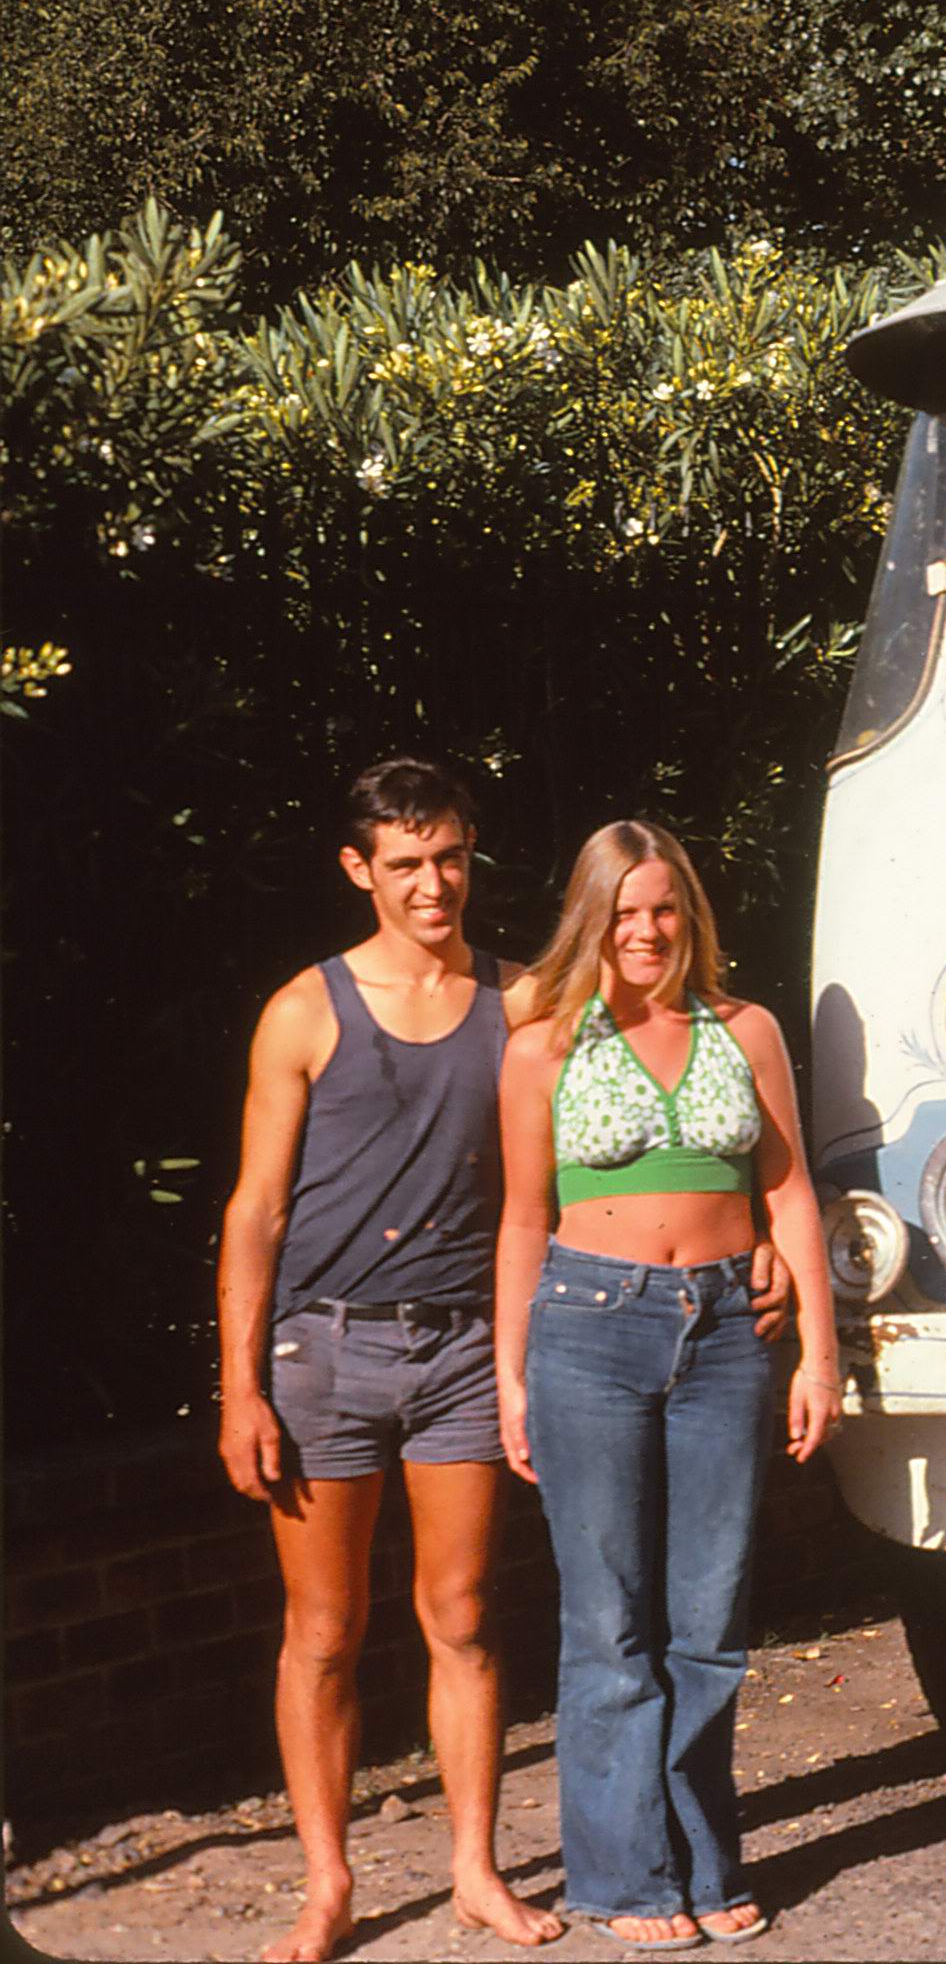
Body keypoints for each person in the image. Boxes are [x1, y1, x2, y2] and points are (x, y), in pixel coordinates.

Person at [214, 758, 566, 1961]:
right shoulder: (304, 1011)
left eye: (452, 856)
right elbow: (254, 1211)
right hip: (324, 1351)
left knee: (463, 1617)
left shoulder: (520, 1001)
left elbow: (585, 1173)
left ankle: (474, 1870)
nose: (434, 883)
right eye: (406, 862)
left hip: (465, 1349)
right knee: (323, 1630)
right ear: (359, 868)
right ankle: (329, 1885)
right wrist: (241, 1388)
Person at [494, 821, 841, 1951]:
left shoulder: (744, 1029)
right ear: (592, 919)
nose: (646, 932)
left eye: (665, 909)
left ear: (689, 915)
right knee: (608, 1620)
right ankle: (622, 1881)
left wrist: (820, 1354)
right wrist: (508, 1377)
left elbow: (790, 1194)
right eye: (624, 912)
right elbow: (522, 1218)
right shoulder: (542, 1043)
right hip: (588, 1330)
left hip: (729, 1335)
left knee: (710, 1617)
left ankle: (702, 1860)